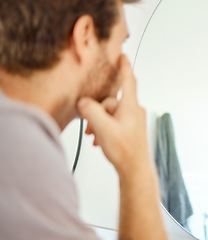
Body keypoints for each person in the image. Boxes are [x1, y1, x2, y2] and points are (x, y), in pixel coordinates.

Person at [0, 0, 167, 239]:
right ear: (85, 36)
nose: (124, 67)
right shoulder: (22, 156)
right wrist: (136, 165)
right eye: (121, 43)